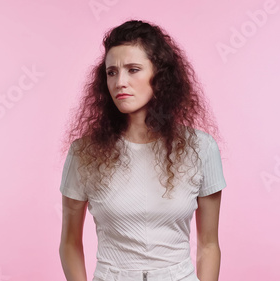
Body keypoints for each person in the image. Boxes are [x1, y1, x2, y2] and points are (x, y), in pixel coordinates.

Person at [59, 19, 227, 281]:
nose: (120, 82)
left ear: (159, 75)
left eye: (133, 69)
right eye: (111, 72)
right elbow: (69, 243)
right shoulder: (84, 152)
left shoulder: (201, 148)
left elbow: (208, 244)